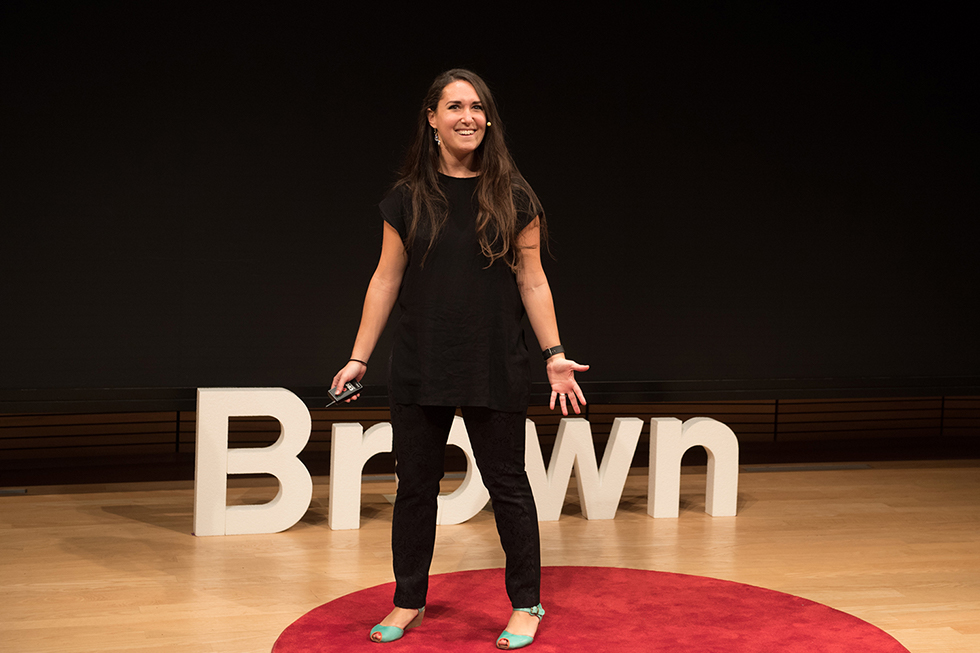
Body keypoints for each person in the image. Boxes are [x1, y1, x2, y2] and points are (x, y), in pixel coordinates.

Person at [330, 68, 588, 649]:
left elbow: (533, 281)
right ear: (432, 119)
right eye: (454, 107)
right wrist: (359, 358)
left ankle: (526, 603)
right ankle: (408, 600)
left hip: (494, 362)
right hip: (421, 363)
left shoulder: (515, 197)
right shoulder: (406, 199)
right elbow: (384, 280)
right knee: (415, 487)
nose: (467, 116)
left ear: (488, 119)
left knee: (509, 486)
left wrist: (554, 353)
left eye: (476, 107)